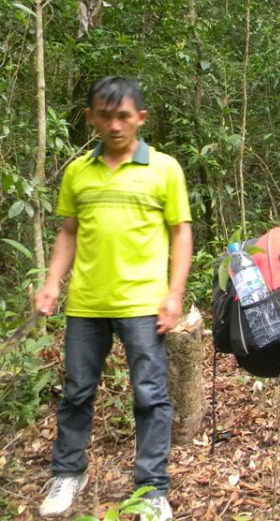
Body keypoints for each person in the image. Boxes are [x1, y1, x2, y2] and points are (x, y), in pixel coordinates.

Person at [35, 77, 193, 520]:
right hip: (86, 304)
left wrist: (174, 294)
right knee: (77, 392)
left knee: (150, 396)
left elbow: (181, 233)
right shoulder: (77, 171)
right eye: (105, 116)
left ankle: (151, 489)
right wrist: (51, 283)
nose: (115, 125)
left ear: (140, 118)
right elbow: (68, 232)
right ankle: (68, 473)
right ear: (91, 118)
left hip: (144, 303)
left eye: (124, 116)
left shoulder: (164, 169)